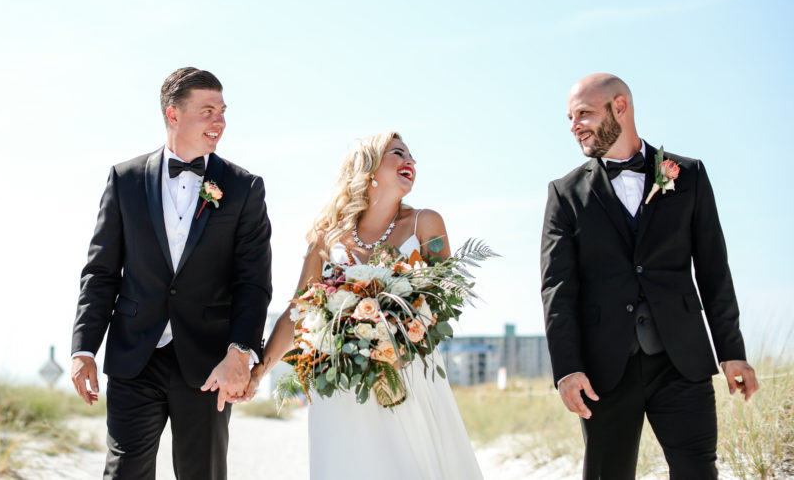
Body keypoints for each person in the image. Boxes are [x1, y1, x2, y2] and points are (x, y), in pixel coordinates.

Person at [540, 73, 758, 479]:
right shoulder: (564, 194)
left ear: (620, 107)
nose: (574, 126)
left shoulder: (689, 175)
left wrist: (732, 350)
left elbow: (714, 270)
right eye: (570, 118)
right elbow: (557, 290)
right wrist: (567, 369)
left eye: (583, 113)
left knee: (698, 472)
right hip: (605, 371)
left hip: (682, 361)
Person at [70, 67, 272, 480]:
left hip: (208, 363)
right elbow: (101, 272)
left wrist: (240, 351)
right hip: (134, 355)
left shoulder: (244, 187)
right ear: (173, 114)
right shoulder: (124, 180)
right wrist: (84, 348)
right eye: (207, 110)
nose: (219, 121)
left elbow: (253, 282)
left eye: (223, 111)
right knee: (123, 472)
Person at [245, 132, 483, 480]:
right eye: (398, 153)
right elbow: (299, 311)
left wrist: (399, 331)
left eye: (412, 157)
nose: (410, 161)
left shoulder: (425, 223)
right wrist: (259, 372)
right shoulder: (326, 237)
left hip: (406, 375)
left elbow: (447, 297)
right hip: (341, 380)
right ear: (369, 168)